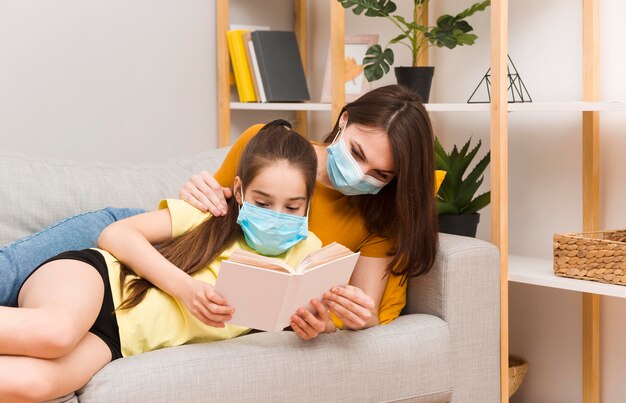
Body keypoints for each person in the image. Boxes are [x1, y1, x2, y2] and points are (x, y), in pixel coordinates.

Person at [0, 84, 444, 330]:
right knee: (8, 272)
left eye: (380, 175)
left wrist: (356, 318)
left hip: (165, 289)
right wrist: (196, 188)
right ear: (344, 120)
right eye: (359, 155)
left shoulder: (380, 218)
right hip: (144, 238)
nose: (361, 175)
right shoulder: (267, 143)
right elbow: (210, 218)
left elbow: (363, 307)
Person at [0, 121, 330, 403]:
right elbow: (115, 234)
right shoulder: (210, 213)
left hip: (120, 339)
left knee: (33, 384)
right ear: (241, 191)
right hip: (103, 281)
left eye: (291, 208)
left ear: (308, 204)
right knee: (55, 333)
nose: (275, 216)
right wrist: (186, 289)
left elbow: (323, 316)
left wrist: (318, 325)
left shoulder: (309, 253)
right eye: (263, 202)